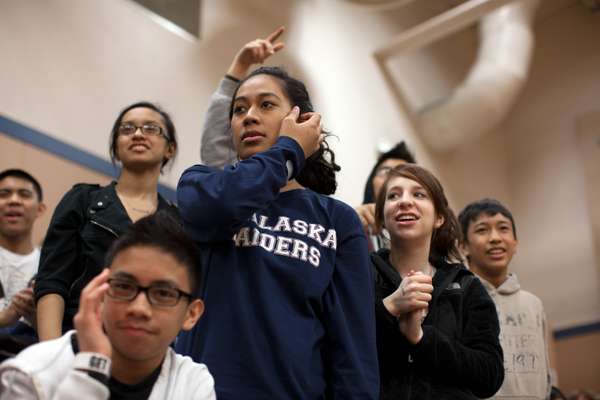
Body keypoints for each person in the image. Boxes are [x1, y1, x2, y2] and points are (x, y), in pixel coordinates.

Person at [176, 63, 379, 397]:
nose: (249, 116)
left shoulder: (337, 221)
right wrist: (289, 149)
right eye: (239, 109)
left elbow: (352, 351)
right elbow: (223, 205)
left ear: (301, 122)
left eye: (266, 104)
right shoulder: (202, 185)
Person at [0, 212, 215, 399]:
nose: (139, 308)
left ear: (191, 314)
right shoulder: (32, 372)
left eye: (163, 293)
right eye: (124, 286)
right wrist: (91, 369)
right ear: (100, 293)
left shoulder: (193, 383)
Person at [34, 102, 179, 341]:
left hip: (145, 349)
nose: (138, 134)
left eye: (151, 128)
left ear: (169, 149)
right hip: (76, 340)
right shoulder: (82, 200)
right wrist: (50, 353)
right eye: (127, 129)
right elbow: (52, 281)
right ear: (115, 146)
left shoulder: (176, 222)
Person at [371, 164, 504, 399]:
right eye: (393, 195)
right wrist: (388, 308)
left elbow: (489, 376)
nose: (404, 201)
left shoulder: (466, 286)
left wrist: (421, 338)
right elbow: (337, 347)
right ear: (381, 218)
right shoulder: (360, 274)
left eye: (418, 194)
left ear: (439, 217)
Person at [458, 198, 552, 399]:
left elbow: (545, 374)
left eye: (503, 228)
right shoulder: (458, 299)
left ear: (515, 243)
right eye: (482, 230)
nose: (495, 238)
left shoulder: (533, 304)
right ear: (463, 246)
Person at [0, 169, 45, 333]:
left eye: (24, 194)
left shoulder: (50, 267)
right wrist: (4, 318)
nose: (14, 200)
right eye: (4, 194)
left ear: (40, 209)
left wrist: (39, 321)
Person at [356, 142, 416, 251]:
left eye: (403, 173)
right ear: (371, 182)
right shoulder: (352, 222)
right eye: (386, 171)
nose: (392, 177)